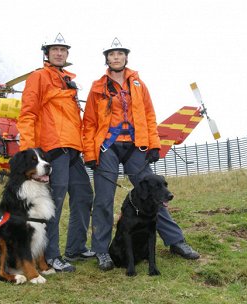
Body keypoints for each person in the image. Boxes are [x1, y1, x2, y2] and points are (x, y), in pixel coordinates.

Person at [83, 38, 200, 271]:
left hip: (137, 147)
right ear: (106, 59)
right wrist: (90, 154)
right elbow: (88, 123)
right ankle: (102, 252)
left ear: (126, 57)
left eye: (120, 54)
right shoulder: (97, 88)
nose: (116, 57)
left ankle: (176, 242)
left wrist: (154, 144)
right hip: (107, 148)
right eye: (111, 54)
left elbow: (149, 115)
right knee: (104, 201)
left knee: (155, 195)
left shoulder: (139, 85)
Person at [17, 33, 94, 272]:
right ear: (47, 54)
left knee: (83, 195)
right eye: (55, 49)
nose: (59, 53)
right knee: (55, 203)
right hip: (53, 149)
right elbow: (28, 113)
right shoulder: (38, 77)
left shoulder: (68, 81)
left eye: (63, 50)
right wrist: (29, 153)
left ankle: (76, 247)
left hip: (73, 150)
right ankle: (51, 257)